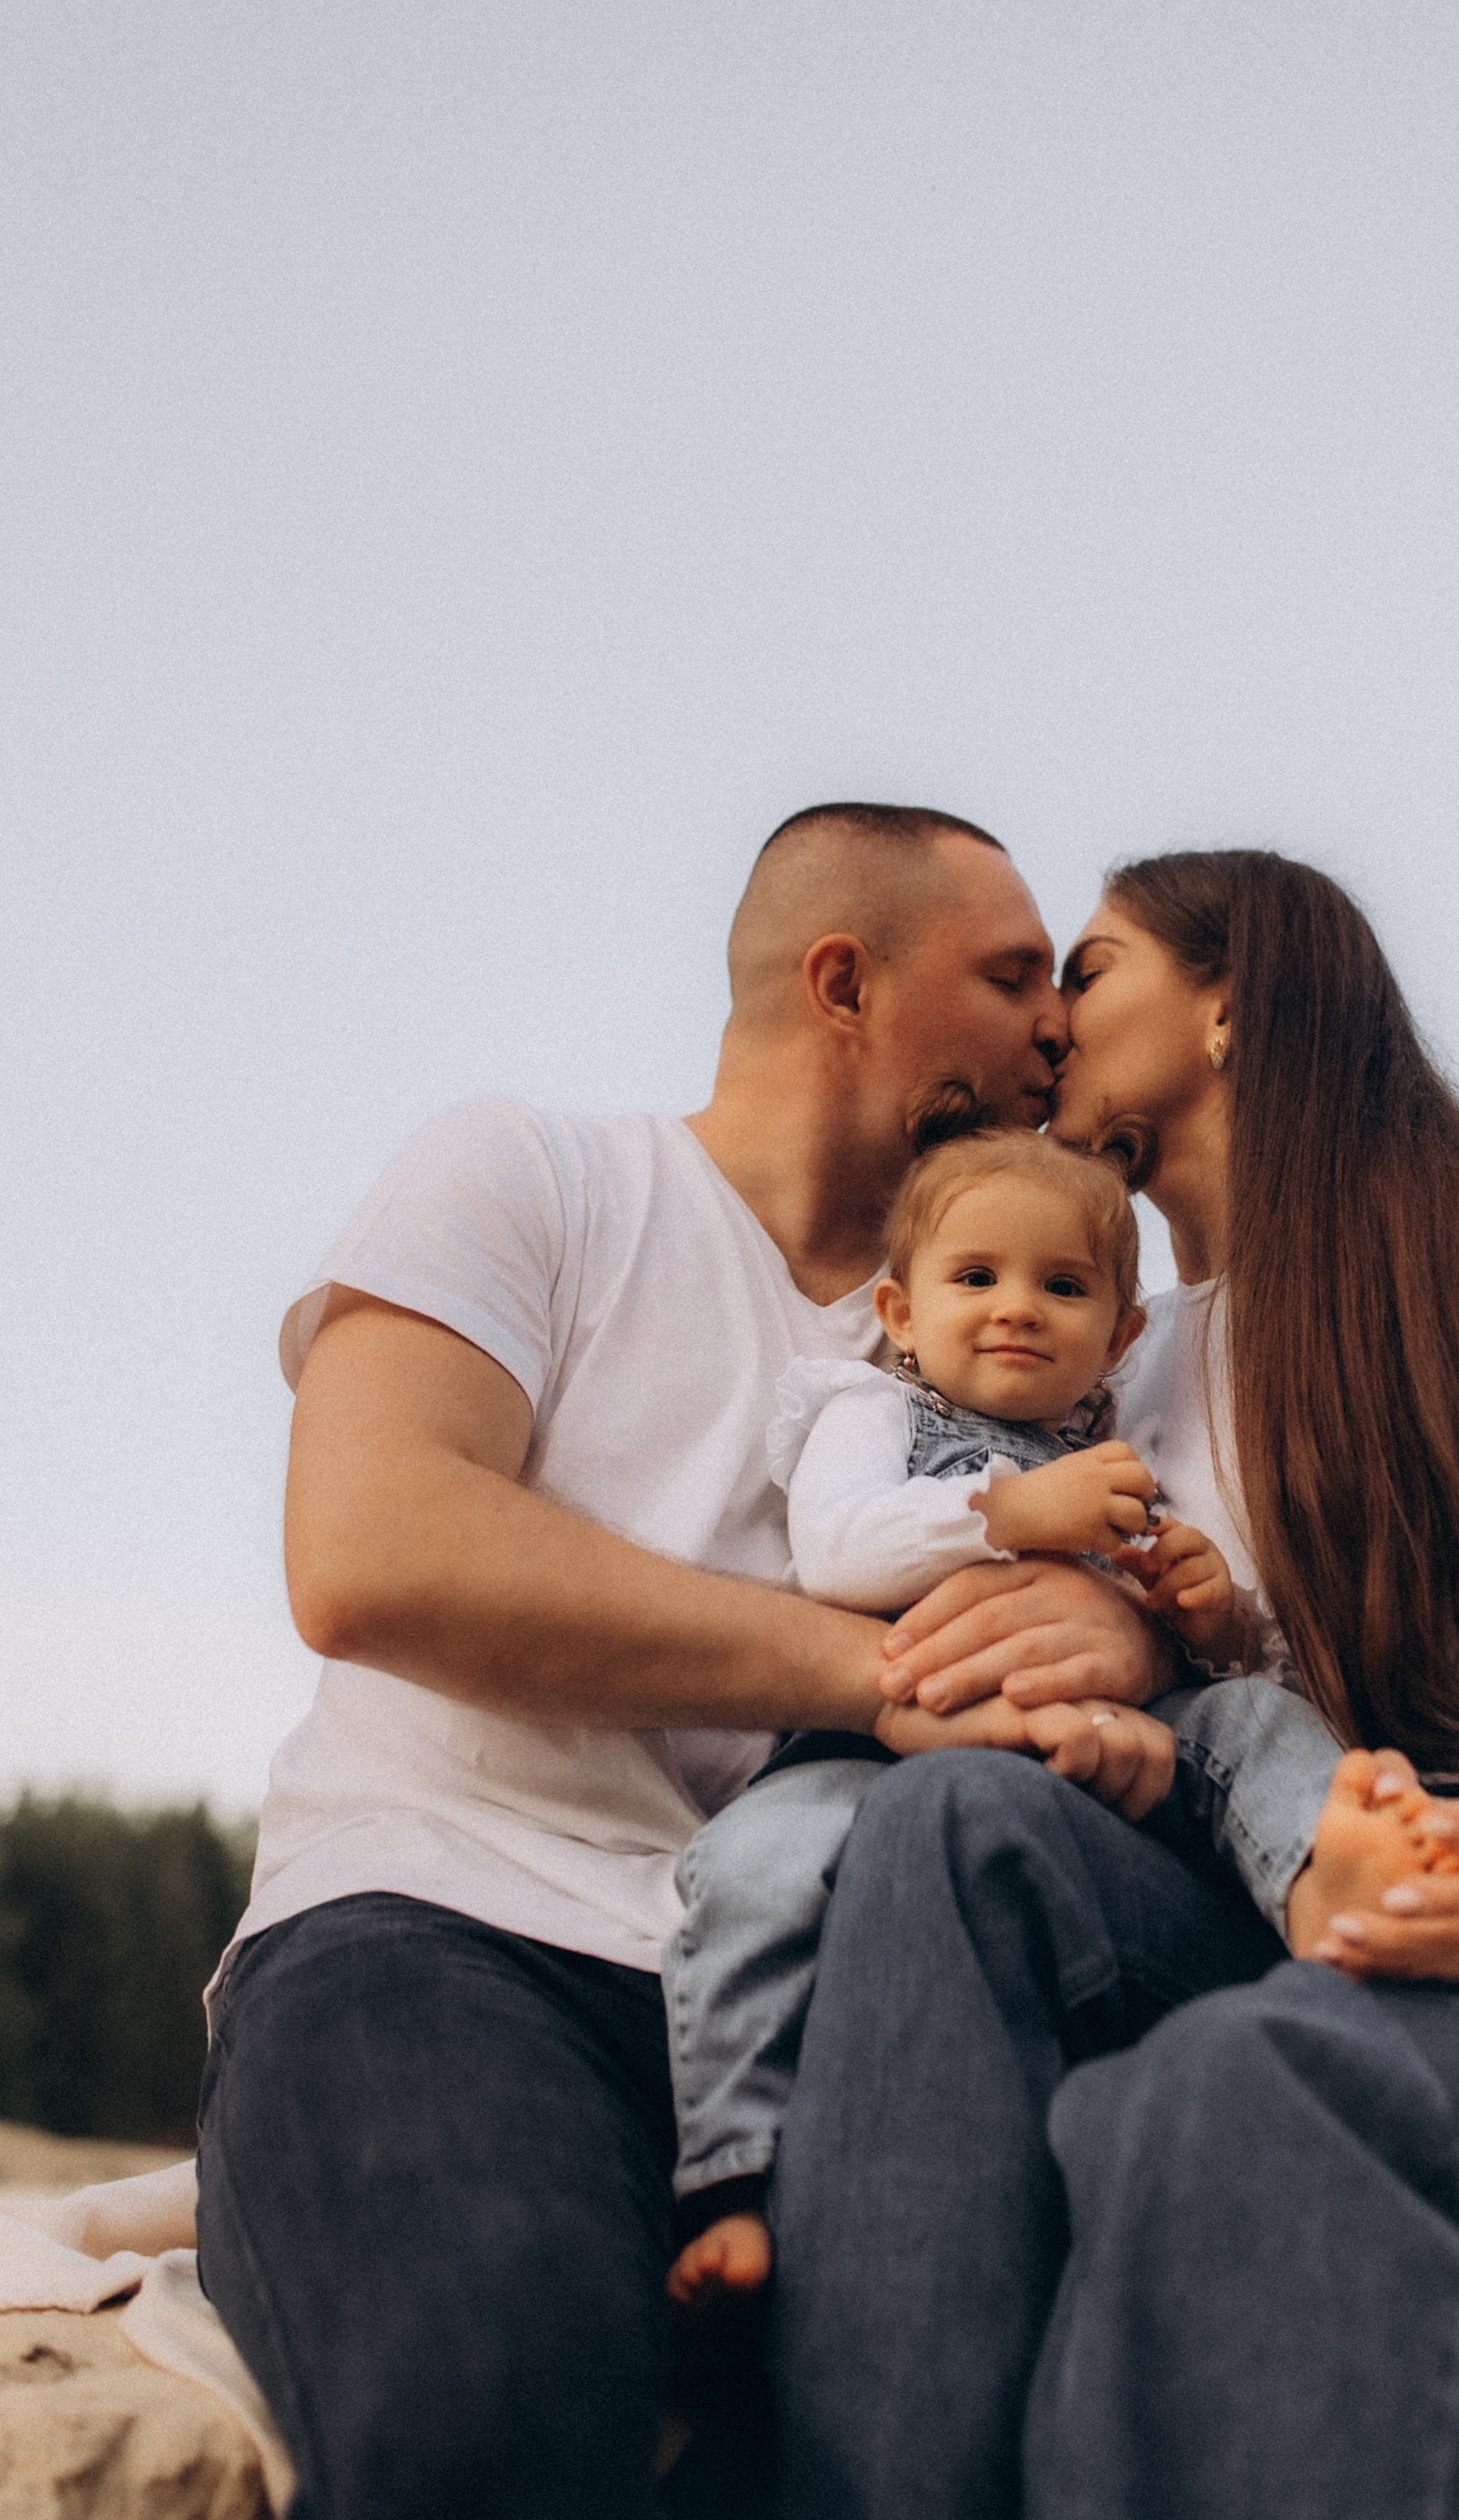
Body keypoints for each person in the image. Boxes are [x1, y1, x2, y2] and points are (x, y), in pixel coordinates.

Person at [192, 804, 1192, 2520]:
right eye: (1011, 975)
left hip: (855, 1998)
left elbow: (1186, 1579)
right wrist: (868, 1673)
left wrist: (1124, 1622)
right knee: (488, 2422)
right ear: (841, 983)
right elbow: (370, 1551)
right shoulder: (532, 1175)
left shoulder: (1060, 1323)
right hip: (449, 1931)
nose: (1056, 1028)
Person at [769, 849, 1459, 2520]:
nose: (1047, 1025)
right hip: (1246, 1951)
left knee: (1241, 2078)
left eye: (1086, 971)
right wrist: (1134, 1639)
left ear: (1229, 1001)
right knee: (952, 1827)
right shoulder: (1111, 1365)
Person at [662, 1127, 1179, 2310]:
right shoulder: (874, 1412)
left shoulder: (1113, 1456)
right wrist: (1010, 1510)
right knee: (755, 1869)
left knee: (1239, 1725)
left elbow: (1148, 1604)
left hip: (1053, 1775)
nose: (1019, 1309)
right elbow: (838, 1552)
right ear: (899, 1309)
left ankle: (1309, 1861)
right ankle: (731, 2170)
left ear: (1123, 1333)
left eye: (1064, 1286)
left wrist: (1183, 1600)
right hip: (858, 1753)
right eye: (976, 1277)